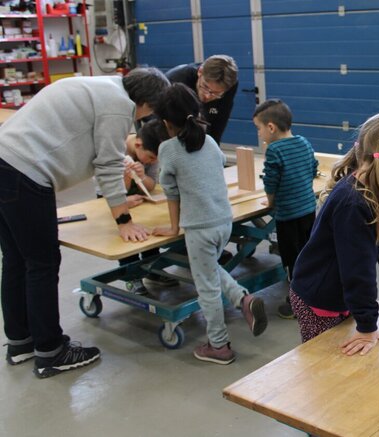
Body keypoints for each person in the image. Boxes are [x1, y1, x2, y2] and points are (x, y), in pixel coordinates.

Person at [0, 68, 169, 378]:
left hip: (5, 161)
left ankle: (20, 342)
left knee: (16, 260)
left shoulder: (100, 86)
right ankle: (51, 352)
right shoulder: (119, 104)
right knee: (42, 263)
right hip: (26, 172)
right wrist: (123, 220)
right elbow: (107, 165)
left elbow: (99, 151)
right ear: (147, 103)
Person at [152, 84, 267, 365]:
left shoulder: (168, 149)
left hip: (200, 228)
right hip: (224, 221)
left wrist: (173, 228)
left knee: (207, 288)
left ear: (166, 122)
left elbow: (171, 192)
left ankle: (219, 345)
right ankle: (243, 299)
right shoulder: (210, 142)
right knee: (210, 270)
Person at [289, 113, 379, 356]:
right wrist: (367, 327)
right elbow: (358, 270)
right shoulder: (353, 204)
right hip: (318, 300)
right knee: (325, 362)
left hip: (342, 295)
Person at [253, 99, 318, 319]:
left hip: (288, 216)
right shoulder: (304, 142)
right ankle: (313, 294)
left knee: (292, 261)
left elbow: (270, 182)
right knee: (308, 254)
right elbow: (313, 169)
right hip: (308, 210)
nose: (259, 134)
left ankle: (296, 303)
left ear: (271, 127)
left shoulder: (274, 150)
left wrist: (270, 202)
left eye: (259, 128)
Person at [109, 119, 177, 294]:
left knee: (150, 232)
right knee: (128, 240)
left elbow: (151, 185)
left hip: (140, 202)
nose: (152, 162)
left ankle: (153, 269)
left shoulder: (152, 152)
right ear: (138, 145)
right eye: (151, 158)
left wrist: (142, 177)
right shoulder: (113, 150)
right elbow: (108, 193)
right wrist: (126, 180)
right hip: (115, 203)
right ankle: (131, 276)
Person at [165, 54, 238, 144]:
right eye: (205, 87)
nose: (207, 96)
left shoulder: (229, 85)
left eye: (216, 93)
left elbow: (218, 125)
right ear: (200, 72)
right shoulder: (176, 80)